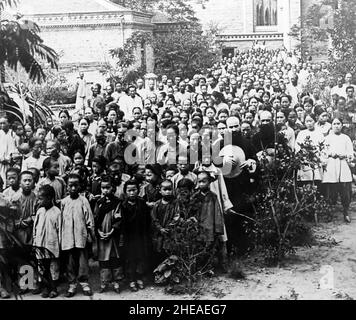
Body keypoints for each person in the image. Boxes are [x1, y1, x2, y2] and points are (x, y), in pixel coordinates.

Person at [60, 173, 95, 297]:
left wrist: (91, 235)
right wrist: (60, 238)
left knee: (82, 261)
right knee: (70, 262)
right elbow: (60, 221)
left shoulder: (83, 200)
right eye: (71, 186)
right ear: (67, 187)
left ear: (80, 186)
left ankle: (84, 283)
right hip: (67, 237)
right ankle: (72, 284)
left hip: (81, 237)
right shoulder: (63, 202)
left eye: (76, 185)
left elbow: (89, 219)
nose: (73, 188)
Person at [94, 175, 123, 293]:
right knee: (103, 260)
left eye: (108, 187)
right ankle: (104, 282)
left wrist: (112, 231)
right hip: (102, 236)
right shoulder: (99, 203)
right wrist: (99, 231)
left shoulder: (117, 202)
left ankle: (116, 282)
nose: (105, 190)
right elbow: (95, 218)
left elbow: (119, 218)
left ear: (113, 188)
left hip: (113, 235)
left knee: (114, 258)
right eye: (103, 188)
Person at [120, 179, 151, 292]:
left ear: (138, 190)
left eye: (134, 190)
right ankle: (131, 279)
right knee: (130, 258)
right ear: (125, 192)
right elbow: (122, 223)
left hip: (140, 235)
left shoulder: (142, 203)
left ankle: (139, 277)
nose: (132, 193)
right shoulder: (123, 205)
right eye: (129, 190)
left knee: (140, 256)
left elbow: (147, 220)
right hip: (129, 237)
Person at [322, 118, 354, 223]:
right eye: (334, 124)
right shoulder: (327, 138)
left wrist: (344, 155)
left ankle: (345, 212)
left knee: (345, 192)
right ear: (331, 125)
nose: (336, 126)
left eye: (338, 124)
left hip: (343, 164)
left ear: (341, 125)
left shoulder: (346, 138)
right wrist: (330, 154)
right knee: (331, 192)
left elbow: (351, 154)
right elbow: (323, 152)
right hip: (331, 165)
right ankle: (330, 213)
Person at [32, 185, 61, 298]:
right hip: (40, 245)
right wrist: (35, 242)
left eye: (41, 198)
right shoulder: (40, 211)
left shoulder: (57, 212)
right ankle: (45, 287)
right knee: (42, 267)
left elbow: (60, 231)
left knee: (53, 268)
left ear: (49, 198)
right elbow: (35, 228)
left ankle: (53, 288)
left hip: (52, 246)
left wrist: (59, 245)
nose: (39, 201)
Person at [150, 180, 179, 268]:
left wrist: (169, 227)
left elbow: (177, 215)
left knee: (170, 253)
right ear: (160, 191)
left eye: (169, 189)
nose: (167, 192)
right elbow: (154, 218)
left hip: (171, 233)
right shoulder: (157, 204)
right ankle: (158, 273)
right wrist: (160, 228)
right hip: (159, 233)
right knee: (159, 252)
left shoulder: (175, 203)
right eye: (165, 189)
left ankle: (170, 274)